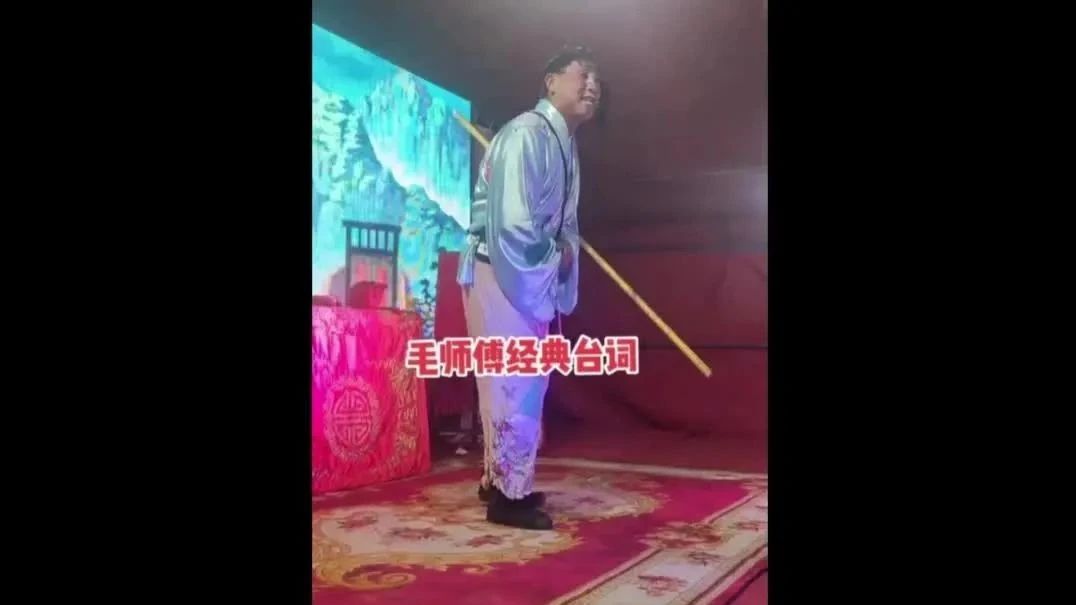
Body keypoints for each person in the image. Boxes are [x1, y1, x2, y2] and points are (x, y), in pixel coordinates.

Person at [458, 46, 603, 530]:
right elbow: (513, 225)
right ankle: (508, 495)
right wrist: (557, 255)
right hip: (503, 267)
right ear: (550, 81)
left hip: (519, 269)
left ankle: (500, 479)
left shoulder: (561, 142)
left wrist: (563, 250)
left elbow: (562, 224)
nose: (592, 85)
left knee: (514, 381)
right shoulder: (526, 134)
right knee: (513, 382)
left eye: (596, 79)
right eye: (582, 74)